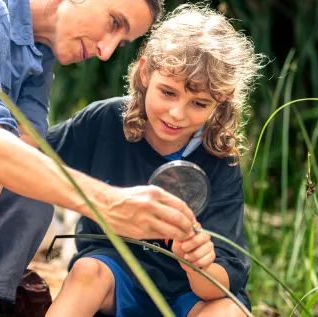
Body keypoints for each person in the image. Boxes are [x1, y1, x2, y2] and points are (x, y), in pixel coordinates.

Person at [0, 0, 199, 316]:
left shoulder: (39, 54)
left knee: (28, 200)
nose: (107, 51)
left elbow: (26, 137)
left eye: (123, 41)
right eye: (114, 23)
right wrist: (109, 203)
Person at [45, 3, 263, 316]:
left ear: (221, 102)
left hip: (189, 295)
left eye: (198, 103)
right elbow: (34, 161)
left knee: (231, 310)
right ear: (146, 71)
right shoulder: (104, 122)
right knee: (87, 272)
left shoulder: (220, 162)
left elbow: (221, 284)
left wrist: (197, 263)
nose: (177, 114)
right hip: (116, 280)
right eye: (168, 92)